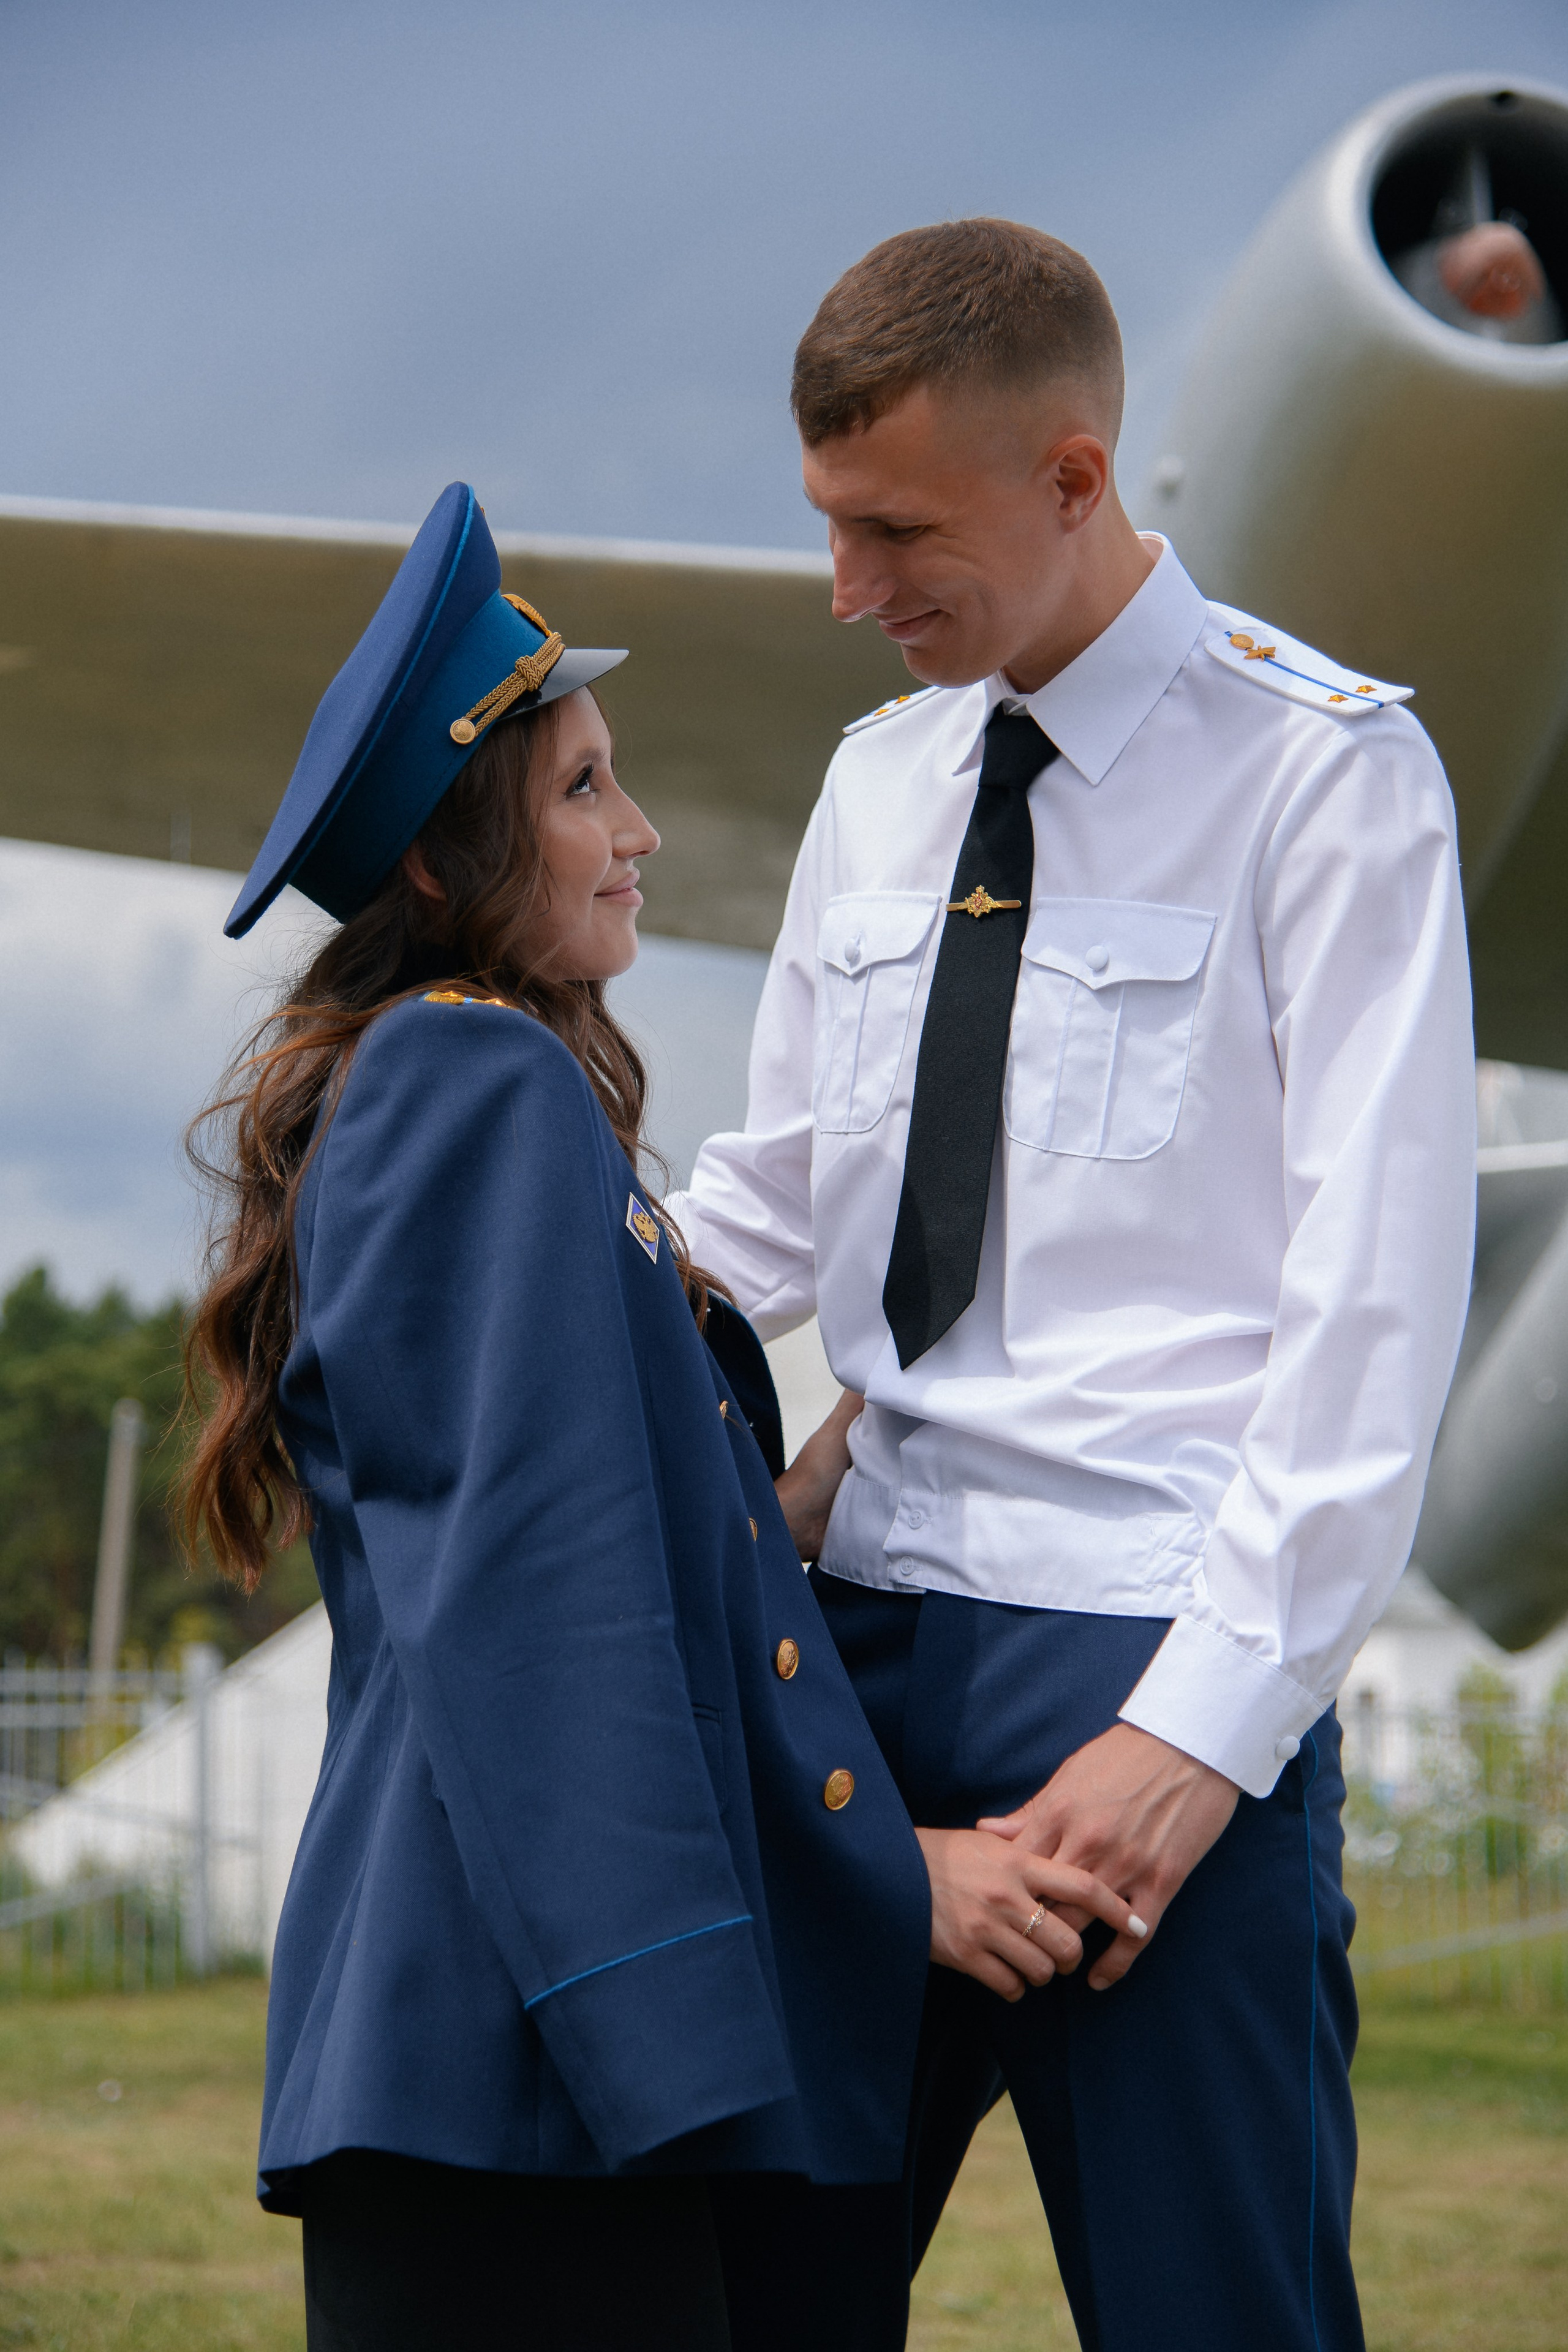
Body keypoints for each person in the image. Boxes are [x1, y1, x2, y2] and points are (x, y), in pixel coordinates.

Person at [179, 480, 1137, 2352]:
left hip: (506, 2063)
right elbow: (544, 1615)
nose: (643, 835)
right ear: (449, 868)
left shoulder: (454, 1085)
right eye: (582, 791)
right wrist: (879, 1873)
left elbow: (583, 1524)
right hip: (529, 2061)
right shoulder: (478, 1081)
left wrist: (791, 1491)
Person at [668, 221, 1477, 2349]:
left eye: (894, 531)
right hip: (852, 1653)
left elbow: (1370, 1330)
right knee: (754, 2304)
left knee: (1218, 2317)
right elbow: (780, 1193)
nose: (850, 593)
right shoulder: (875, 782)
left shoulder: (1331, 777)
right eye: (828, 528)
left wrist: (1193, 1743)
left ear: (1075, 476)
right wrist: (512, 1287)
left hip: (1145, 1649)